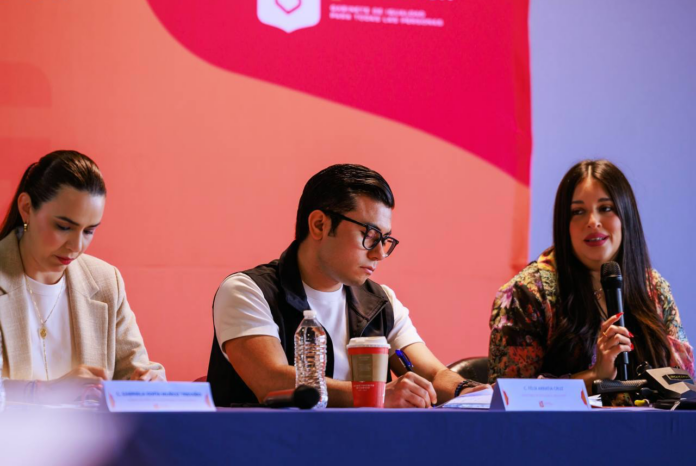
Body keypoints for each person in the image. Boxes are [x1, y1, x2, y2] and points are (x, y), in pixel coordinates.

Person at [208, 164, 484, 407]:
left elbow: (433, 374)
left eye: (385, 240)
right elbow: (270, 380)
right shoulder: (248, 291)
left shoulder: (381, 302)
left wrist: (472, 391)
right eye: (369, 235)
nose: (379, 254)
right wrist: (376, 396)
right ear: (319, 225)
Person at [488, 159, 694, 393]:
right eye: (578, 212)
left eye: (605, 208)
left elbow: (684, 385)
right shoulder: (526, 294)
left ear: (626, 215)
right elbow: (509, 397)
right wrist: (595, 376)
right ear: (564, 224)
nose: (593, 222)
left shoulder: (654, 288)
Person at [0, 150, 165, 404]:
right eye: (64, 227)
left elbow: (138, 369)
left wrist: (149, 383)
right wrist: (46, 391)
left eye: (89, 231)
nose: (76, 246)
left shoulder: (105, 281)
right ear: (26, 208)